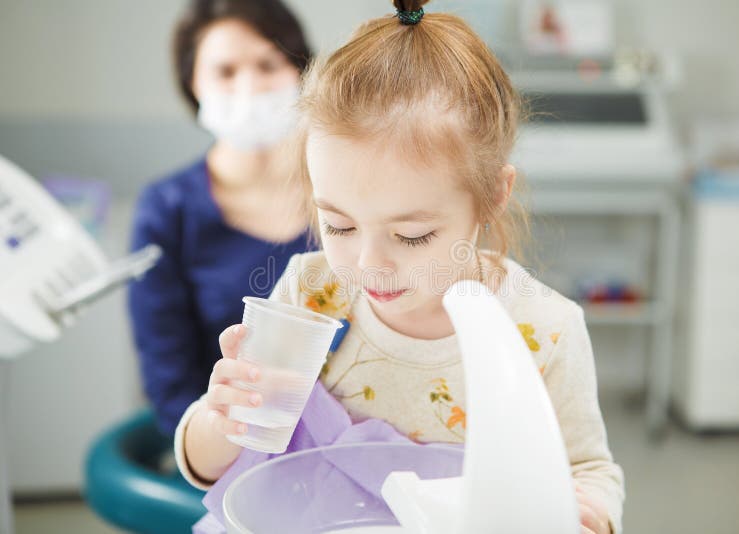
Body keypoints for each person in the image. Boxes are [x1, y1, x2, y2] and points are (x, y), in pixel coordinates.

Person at [176, 1, 624, 532]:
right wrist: (221, 419)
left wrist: (592, 516)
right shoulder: (310, 294)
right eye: (338, 226)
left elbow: (587, 470)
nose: (368, 265)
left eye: (412, 235)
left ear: (491, 197)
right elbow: (208, 466)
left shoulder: (544, 332)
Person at [128, 0, 314, 435]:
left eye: (269, 64)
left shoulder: (343, 192)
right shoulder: (167, 210)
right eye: (226, 72)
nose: (249, 86)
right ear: (192, 84)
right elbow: (168, 382)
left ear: (302, 73)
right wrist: (220, 445)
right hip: (228, 443)